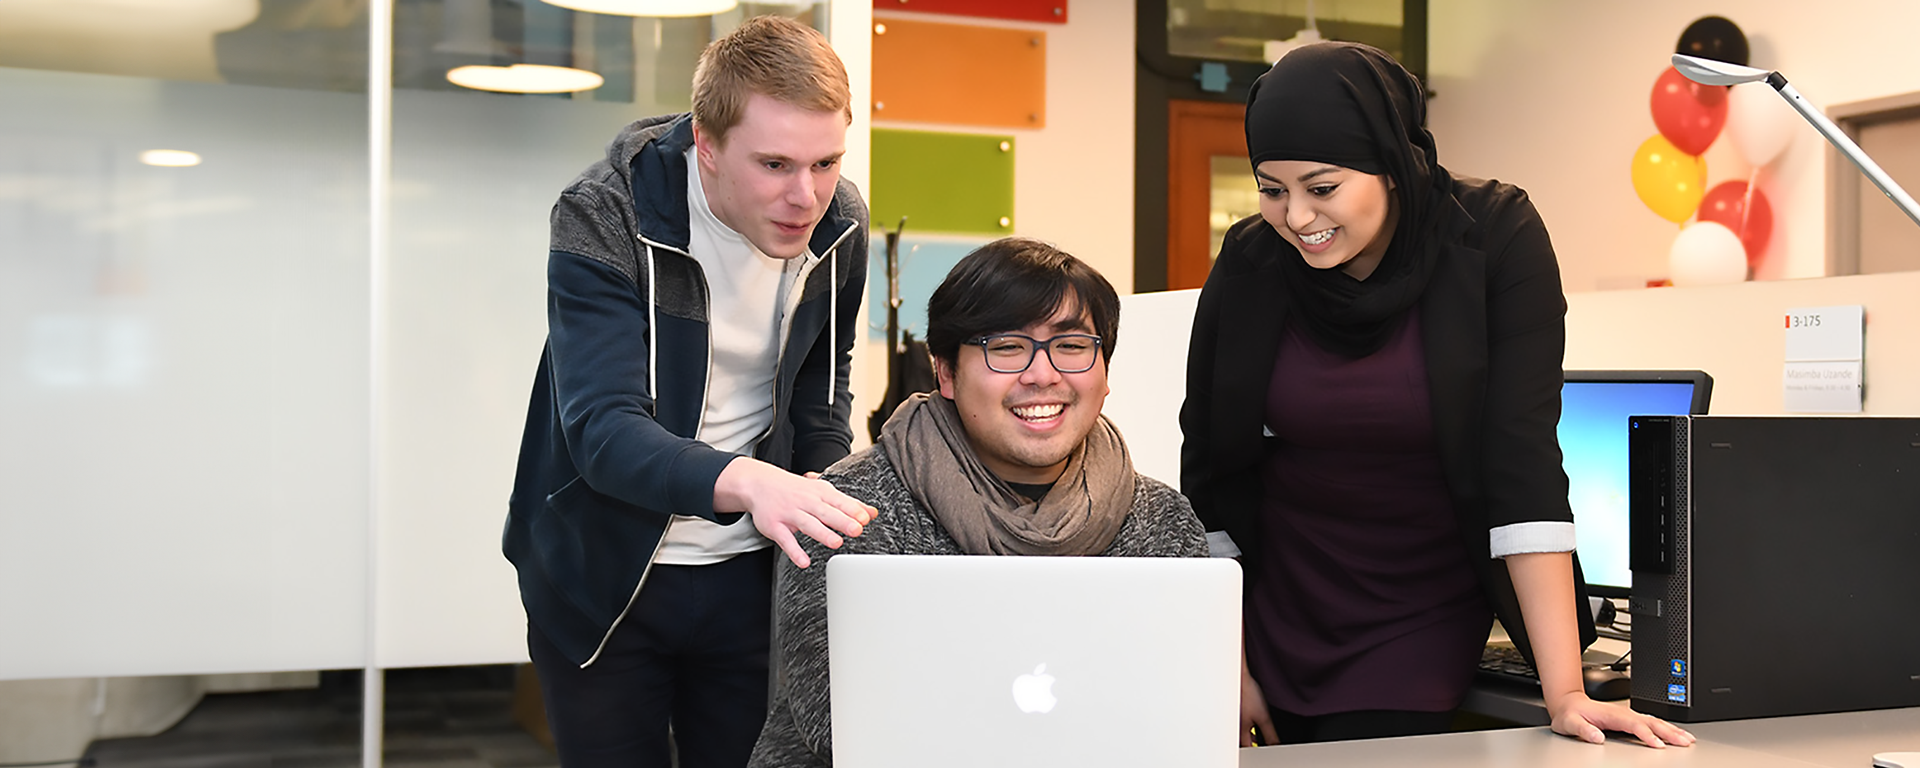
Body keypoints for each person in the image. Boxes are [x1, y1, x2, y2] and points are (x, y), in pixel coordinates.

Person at [1178, 42, 1696, 749]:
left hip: (1422, 605)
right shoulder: (1252, 260)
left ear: (1391, 163)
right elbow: (1211, 470)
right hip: (1277, 602)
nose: (1296, 217)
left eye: (1322, 188)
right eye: (1272, 190)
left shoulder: (1492, 237)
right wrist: (1225, 663)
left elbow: (1521, 462)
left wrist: (1567, 691)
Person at [502, 16, 877, 768]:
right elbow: (603, 429)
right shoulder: (605, 212)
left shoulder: (840, 221)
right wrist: (753, 483)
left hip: (754, 570)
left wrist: (816, 480)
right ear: (706, 144)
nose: (805, 195)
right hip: (604, 575)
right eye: (774, 164)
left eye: (826, 162)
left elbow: (821, 381)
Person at [747, 237, 1209, 767]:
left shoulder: (1160, 519)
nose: (1043, 375)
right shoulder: (844, 510)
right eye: (1006, 347)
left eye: (1071, 345)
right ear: (945, 371)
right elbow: (836, 723)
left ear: (1105, 371)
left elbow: (1178, 711)